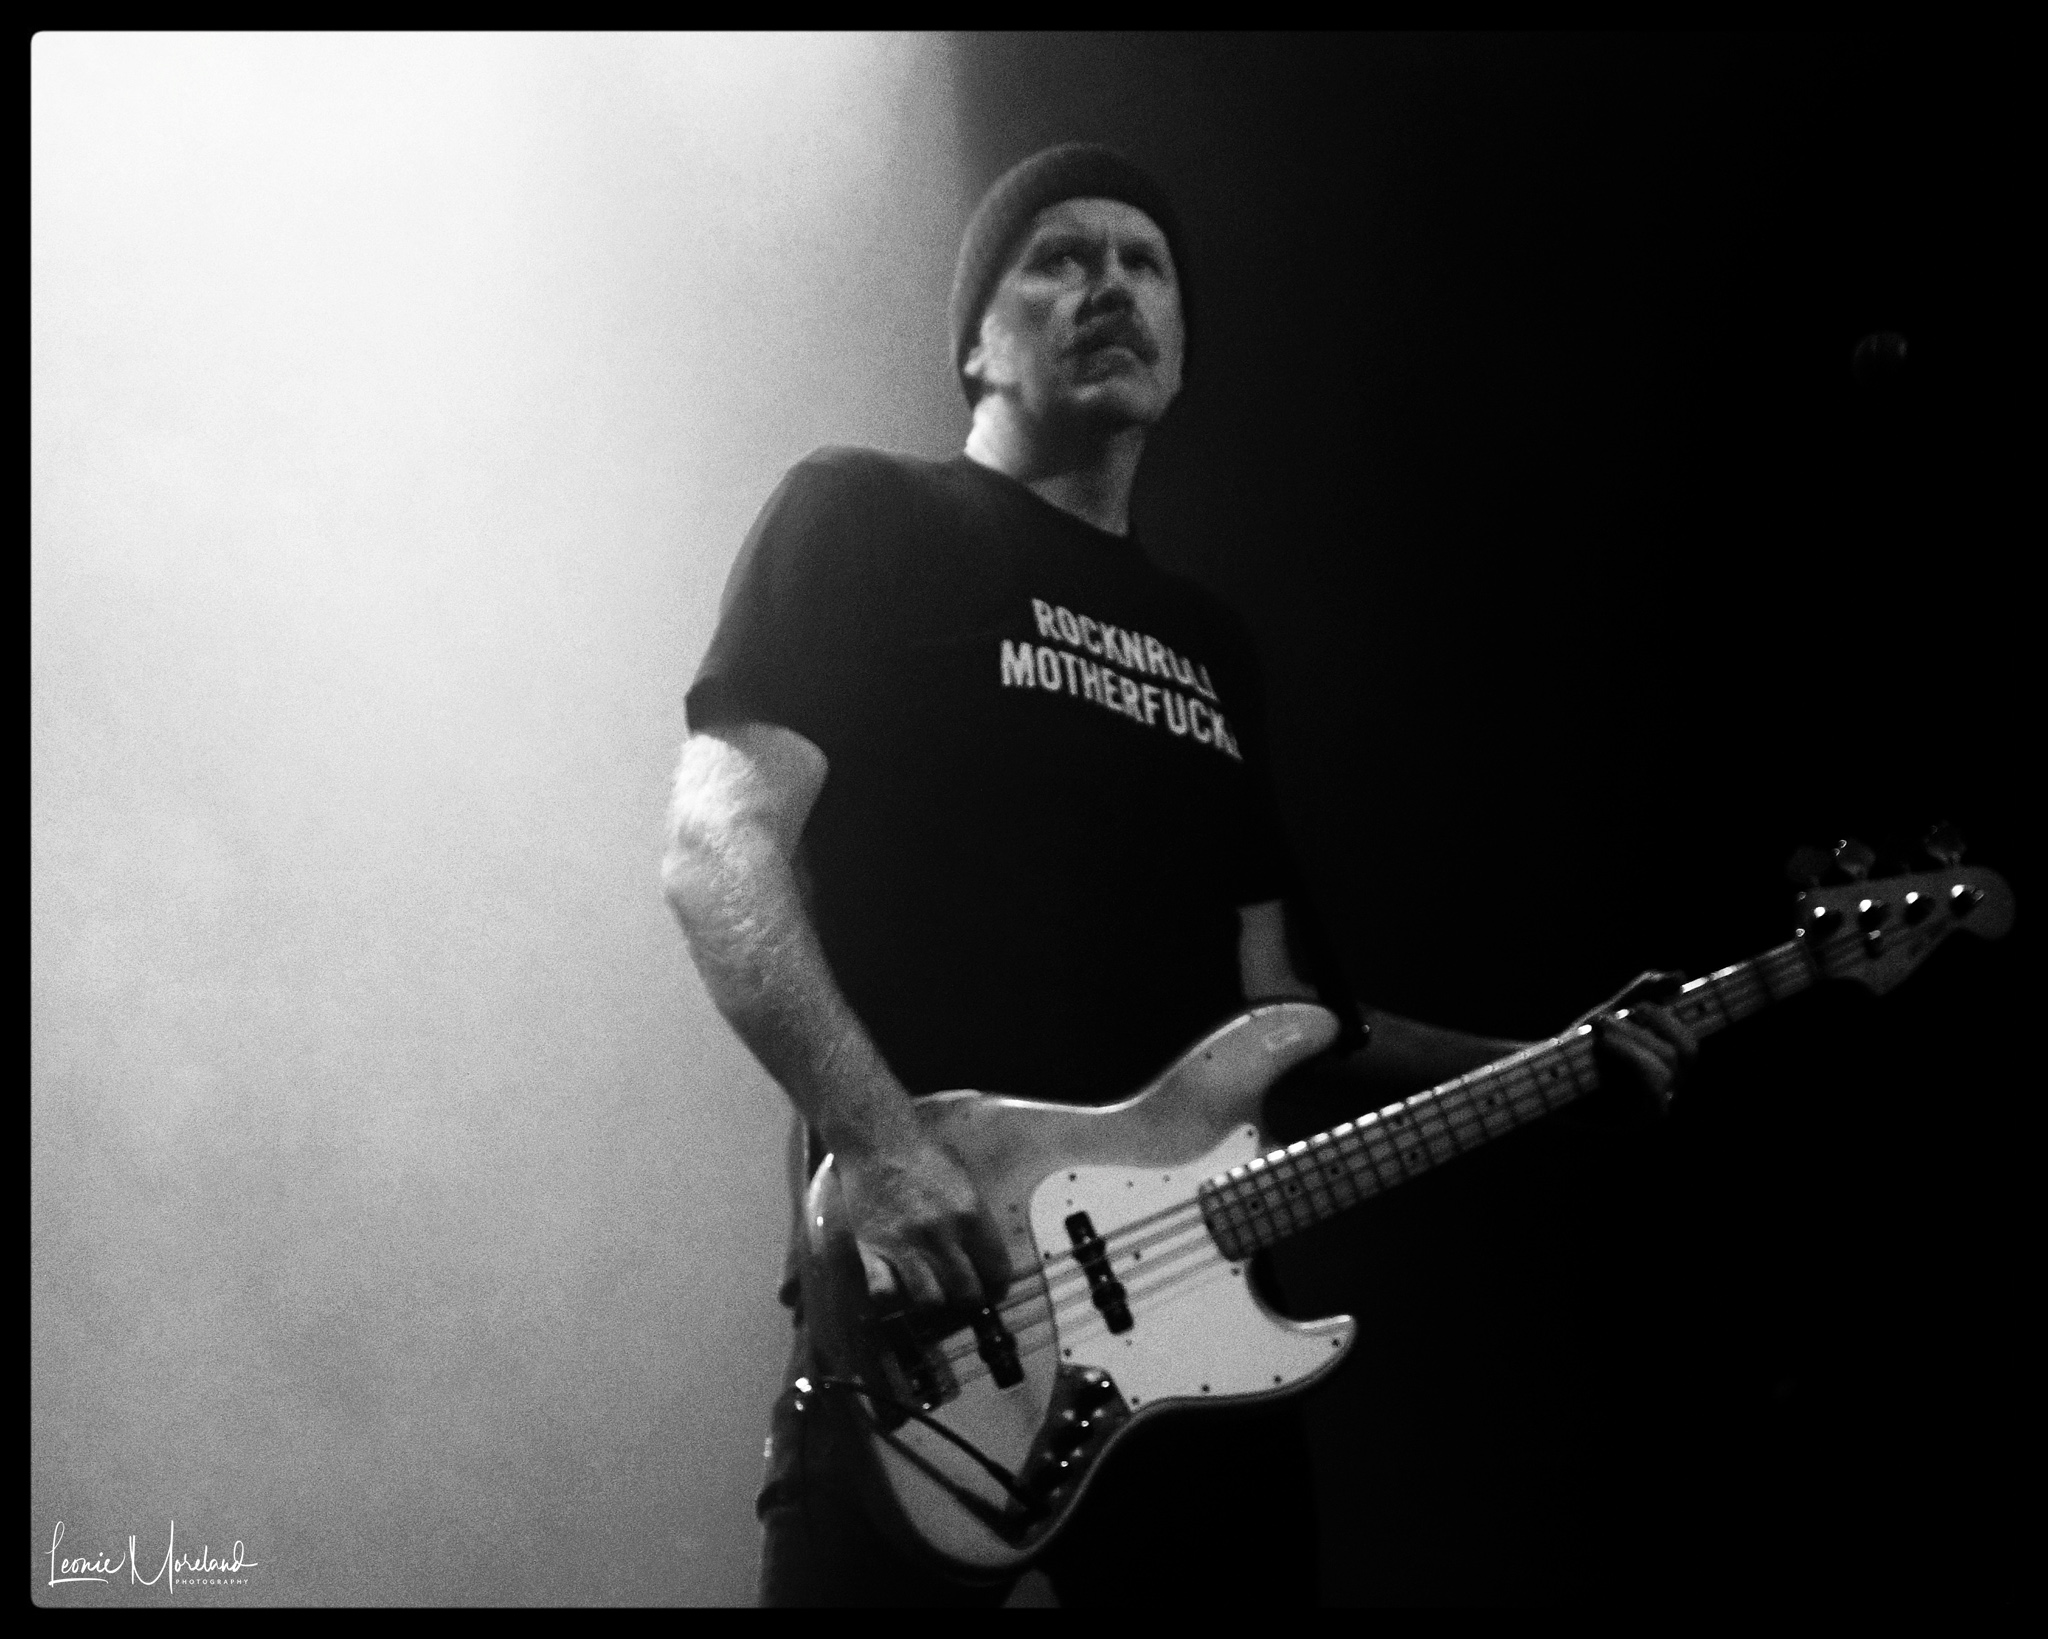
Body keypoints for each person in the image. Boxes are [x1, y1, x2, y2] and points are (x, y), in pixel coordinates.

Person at [661, 143, 1695, 1608]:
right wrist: (880, 1148)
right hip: (933, 1306)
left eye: (1144, 265)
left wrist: (1556, 1064)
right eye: (1060, 257)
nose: (1111, 286)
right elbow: (717, 853)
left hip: (1194, 1329)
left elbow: (1288, 1013)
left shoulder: (1212, 647)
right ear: (975, 345)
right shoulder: (867, 516)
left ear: (1183, 347)